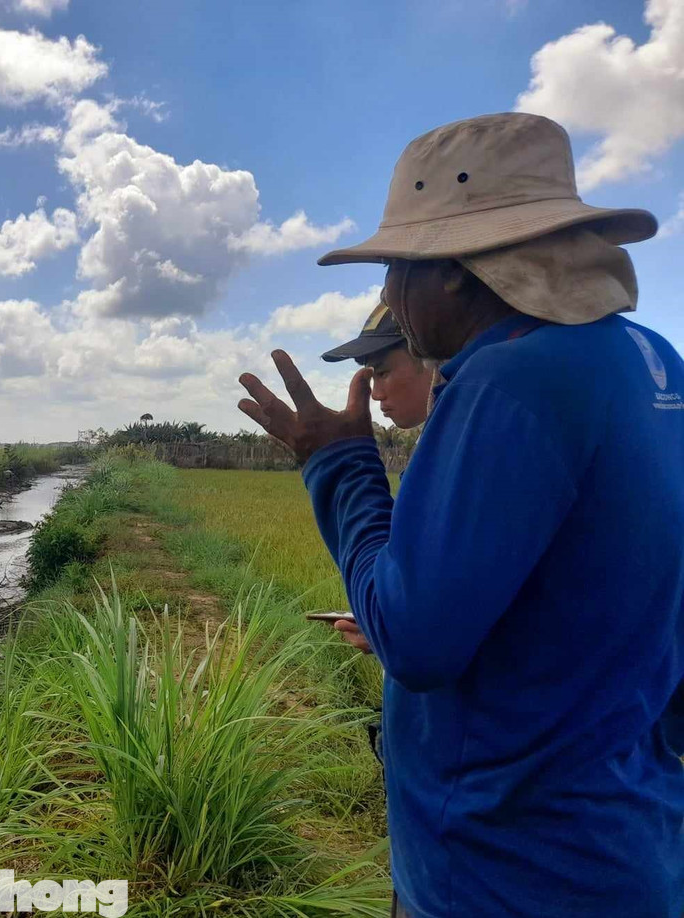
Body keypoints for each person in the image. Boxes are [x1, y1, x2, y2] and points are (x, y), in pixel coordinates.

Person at [236, 112, 684, 917]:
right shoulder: (651, 362)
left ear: (450, 272)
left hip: (505, 867)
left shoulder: (509, 381)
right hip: (627, 840)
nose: (390, 302)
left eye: (395, 273)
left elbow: (416, 639)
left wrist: (338, 466)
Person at [322, 297, 435, 431]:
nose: (376, 395)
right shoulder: (442, 435)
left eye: (382, 373)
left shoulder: (459, 437)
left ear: (432, 360)